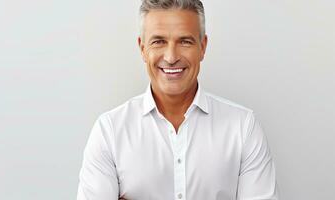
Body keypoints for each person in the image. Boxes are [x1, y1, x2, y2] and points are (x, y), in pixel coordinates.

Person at [77, 0, 279, 199]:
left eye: (185, 41)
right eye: (158, 41)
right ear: (142, 48)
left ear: (203, 46)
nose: (171, 56)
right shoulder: (109, 131)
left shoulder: (243, 127)